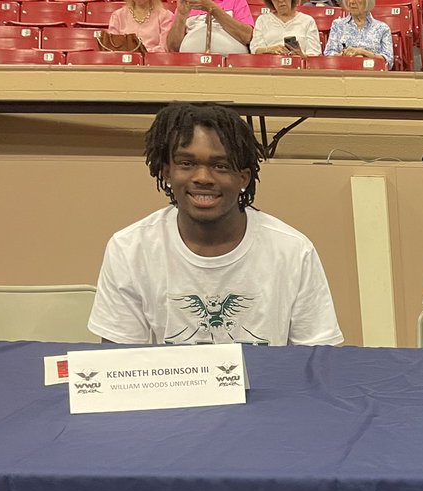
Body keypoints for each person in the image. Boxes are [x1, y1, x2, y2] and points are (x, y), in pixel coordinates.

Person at [89, 103, 343, 346]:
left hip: (270, 379)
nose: (202, 177)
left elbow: (318, 360)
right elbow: (116, 362)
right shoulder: (129, 248)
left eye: (220, 166)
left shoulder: (293, 251)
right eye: (187, 163)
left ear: (243, 178)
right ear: (166, 172)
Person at [323, 0, 394, 67]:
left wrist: (363, 52)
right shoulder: (338, 25)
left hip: (372, 73)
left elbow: (388, 60)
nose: (351, 2)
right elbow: (328, 54)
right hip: (344, 71)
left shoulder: (382, 28)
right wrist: (344, 55)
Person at [168, 0, 254, 54]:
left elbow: (247, 37)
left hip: (231, 65)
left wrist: (213, 9)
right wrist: (181, 15)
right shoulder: (186, 3)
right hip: (191, 65)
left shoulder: (236, 1)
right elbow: (173, 49)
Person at [250, 0, 322, 56]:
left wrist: (301, 55)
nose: (281, 1)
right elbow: (255, 49)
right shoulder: (262, 20)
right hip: (269, 66)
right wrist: (270, 49)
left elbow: (314, 54)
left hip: (299, 68)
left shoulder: (308, 21)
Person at [107, 0, 175, 52]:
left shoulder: (165, 16)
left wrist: (143, 53)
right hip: (124, 63)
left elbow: (165, 48)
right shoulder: (117, 16)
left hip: (155, 63)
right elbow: (113, 47)